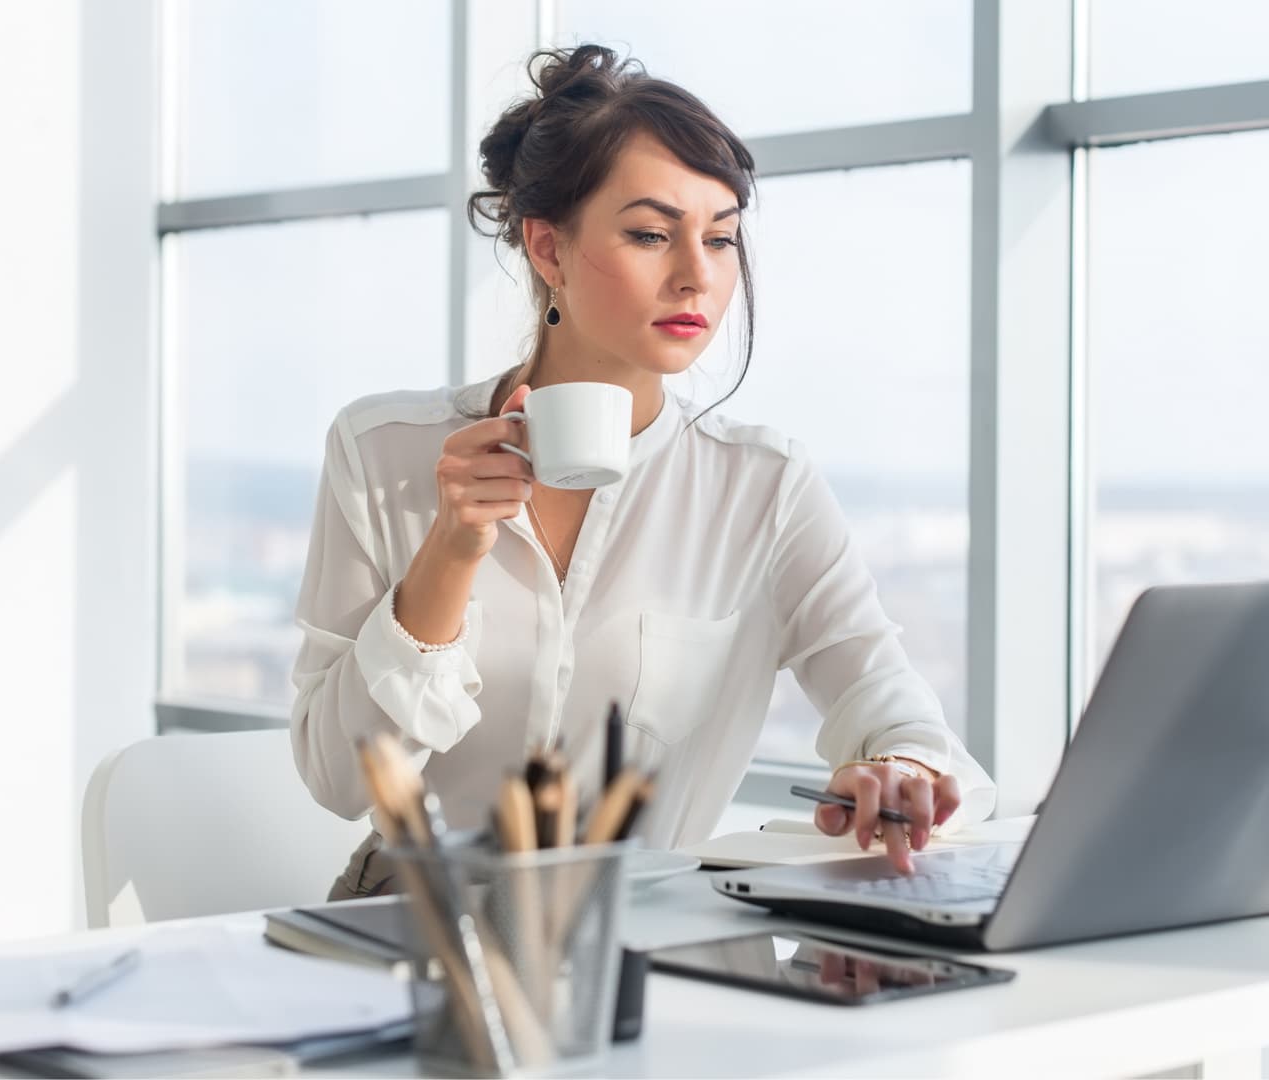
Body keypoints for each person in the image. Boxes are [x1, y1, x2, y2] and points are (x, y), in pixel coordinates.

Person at [289, 44, 996, 902]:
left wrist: (900, 769)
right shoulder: (383, 452)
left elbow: (892, 703)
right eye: (651, 234)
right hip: (417, 931)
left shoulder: (762, 486)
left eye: (723, 237)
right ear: (547, 248)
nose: (698, 273)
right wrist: (451, 552)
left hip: (651, 935)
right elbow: (337, 779)